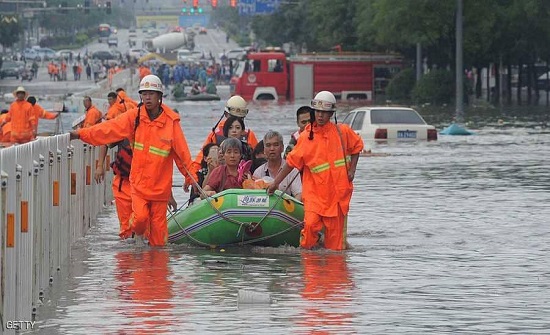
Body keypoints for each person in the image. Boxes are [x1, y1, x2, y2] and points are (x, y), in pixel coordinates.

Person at [70, 75, 194, 247]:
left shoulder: (171, 123)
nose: (148, 97)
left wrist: (192, 179)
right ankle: (130, 234)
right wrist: (81, 134)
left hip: (160, 190)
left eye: (152, 94)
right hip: (139, 186)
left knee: (159, 242)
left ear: (160, 96)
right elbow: (107, 129)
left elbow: (183, 155)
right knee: (140, 220)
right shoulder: (133, 118)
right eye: (145, 94)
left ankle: (156, 271)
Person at [267, 91, 363, 251]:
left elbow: (357, 147)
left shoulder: (342, 132)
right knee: (310, 228)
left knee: (335, 248)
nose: (320, 116)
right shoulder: (306, 138)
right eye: (317, 112)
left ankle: (334, 275)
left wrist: (352, 170)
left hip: (337, 198)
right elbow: (290, 163)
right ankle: (310, 272)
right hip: (315, 197)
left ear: (331, 114)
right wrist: (275, 183)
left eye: (324, 113)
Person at [185, 95, 258, 191]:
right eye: (232, 118)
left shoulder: (249, 136)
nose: (234, 131)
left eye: (239, 120)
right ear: (226, 114)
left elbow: (257, 162)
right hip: (218, 178)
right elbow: (201, 159)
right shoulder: (215, 135)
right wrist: (191, 178)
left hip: (242, 180)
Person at [253, 131, 302, 201]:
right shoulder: (258, 172)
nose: (272, 148)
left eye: (276, 145)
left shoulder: (292, 170)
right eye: (268, 145)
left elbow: (299, 194)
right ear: (264, 150)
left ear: (282, 148)